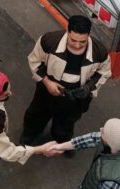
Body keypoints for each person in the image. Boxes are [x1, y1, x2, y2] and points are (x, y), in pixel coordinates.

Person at [20, 15, 112, 155]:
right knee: (37, 114)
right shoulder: (49, 41)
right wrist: (47, 82)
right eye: (73, 40)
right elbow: (35, 61)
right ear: (67, 31)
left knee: (66, 122)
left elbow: (103, 72)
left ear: (88, 34)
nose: (77, 45)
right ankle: (29, 136)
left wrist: (88, 87)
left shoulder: (99, 52)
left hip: (75, 97)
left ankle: (62, 143)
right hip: (47, 91)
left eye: (82, 41)